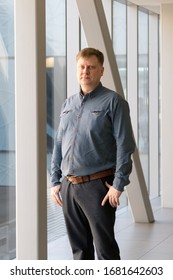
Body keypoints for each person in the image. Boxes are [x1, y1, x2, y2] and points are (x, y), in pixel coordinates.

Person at [50, 47, 135, 260]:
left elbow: (125, 145)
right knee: (79, 251)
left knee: (105, 250)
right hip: (69, 186)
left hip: (98, 187)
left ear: (101, 71)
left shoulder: (114, 102)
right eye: (82, 66)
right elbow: (59, 144)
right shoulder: (68, 104)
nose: (85, 71)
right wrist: (54, 181)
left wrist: (118, 185)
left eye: (91, 67)